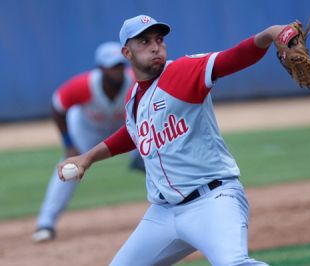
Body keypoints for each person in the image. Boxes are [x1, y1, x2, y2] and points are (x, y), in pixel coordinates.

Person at [58, 15, 287, 265]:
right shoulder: (134, 97)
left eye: (159, 39)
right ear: (127, 52)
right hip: (164, 214)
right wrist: (87, 158)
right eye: (144, 41)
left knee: (233, 264)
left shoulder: (183, 71)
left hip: (212, 201)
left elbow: (232, 58)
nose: (155, 46)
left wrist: (270, 34)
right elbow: (133, 134)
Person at [32, 42, 145, 243]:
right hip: (87, 129)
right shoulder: (83, 85)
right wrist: (69, 144)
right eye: (112, 66)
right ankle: (45, 224)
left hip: (123, 126)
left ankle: (178, 202)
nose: (117, 70)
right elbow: (57, 106)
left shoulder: (135, 80)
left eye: (120, 64)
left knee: (153, 156)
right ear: (101, 68)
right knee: (69, 168)